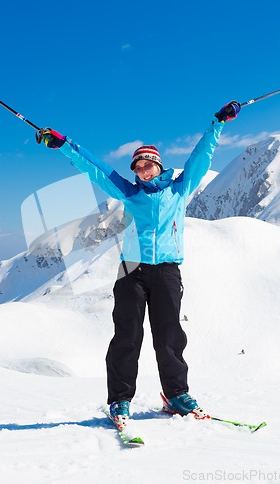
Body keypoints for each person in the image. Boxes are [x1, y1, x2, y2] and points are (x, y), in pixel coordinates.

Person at [41, 100, 241, 426]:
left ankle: (176, 395)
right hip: (131, 270)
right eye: (138, 167)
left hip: (166, 270)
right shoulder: (130, 193)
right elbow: (96, 169)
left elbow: (200, 157)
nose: (143, 171)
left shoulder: (180, 189)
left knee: (169, 336)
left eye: (148, 165)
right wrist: (64, 144)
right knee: (127, 336)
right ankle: (119, 401)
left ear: (159, 166)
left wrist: (217, 122)